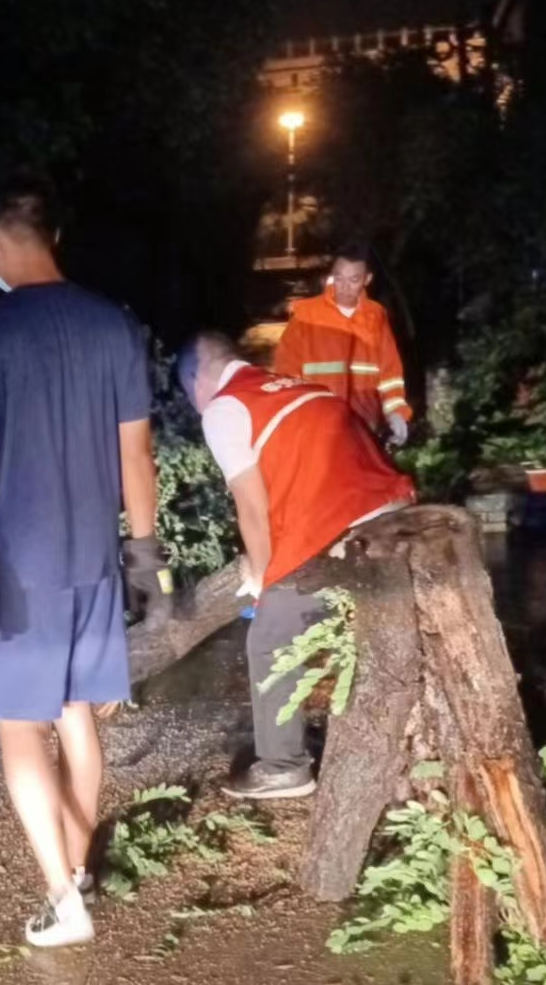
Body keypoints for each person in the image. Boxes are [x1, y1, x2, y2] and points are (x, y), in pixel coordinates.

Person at [0, 175, 172, 948]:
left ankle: (64, 900)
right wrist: (145, 553)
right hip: (93, 560)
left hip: (15, 573)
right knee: (77, 714)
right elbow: (138, 454)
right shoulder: (114, 327)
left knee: (20, 731)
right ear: (53, 237)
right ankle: (79, 866)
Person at [178, 331, 413, 799]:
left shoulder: (226, 408)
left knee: (269, 639)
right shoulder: (300, 387)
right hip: (396, 512)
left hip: (339, 530)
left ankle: (283, 766)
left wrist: (263, 582)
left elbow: (251, 506)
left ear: (195, 381)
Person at [273, 242, 413, 444]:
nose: (344, 287)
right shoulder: (306, 317)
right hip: (318, 427)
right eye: (339, 278)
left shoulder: (375, 317)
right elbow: (286, 372)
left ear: (367, 279)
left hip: (365, 428)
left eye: (353, 280)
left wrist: (396, 413)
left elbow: (390, 374)